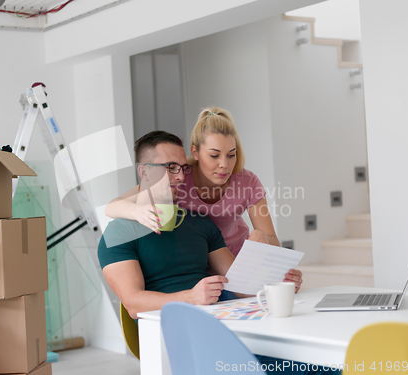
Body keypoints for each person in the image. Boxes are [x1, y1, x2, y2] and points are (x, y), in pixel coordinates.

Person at [98, 131, 337, 375]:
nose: (180, 176)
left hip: (229, 324)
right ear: (144, 172)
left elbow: (240, 282)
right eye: (170, 167)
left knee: (323, 364)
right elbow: (133, 303)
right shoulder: (118, 233)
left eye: (182, 168)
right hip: (180, 334)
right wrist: (191, 298)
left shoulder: (200, 223)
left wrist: (278, 283)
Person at [105, 107, 299, 290]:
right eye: (214, 155)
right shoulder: (179, 176)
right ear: (195, 152)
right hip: (197, 266)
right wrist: (138, 211)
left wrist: (262, 237)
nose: (225, 164)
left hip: (236, 263)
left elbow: (273, 240)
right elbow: (113, 206)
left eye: (231, 155)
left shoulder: (246, 181)